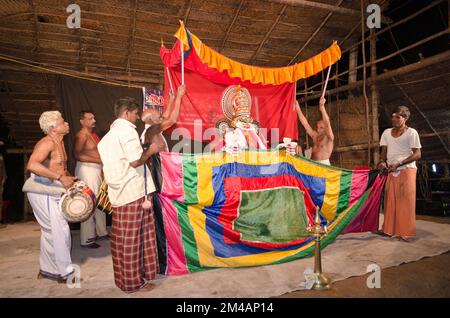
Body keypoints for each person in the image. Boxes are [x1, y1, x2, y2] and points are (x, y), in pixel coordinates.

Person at [98, 97, 166, 293]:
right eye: (136, 114)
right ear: (127, 113)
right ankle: (133, 283)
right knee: (134, 240)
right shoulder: (126, 131)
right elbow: (136, 161)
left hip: (119, 191)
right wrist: (151, 150)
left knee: (122, 238)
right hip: (133, 191)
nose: (137, 118)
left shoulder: (107, 137)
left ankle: (124, 279)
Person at [26, 111, 77, 282]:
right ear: (54, 128)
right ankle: (64, 273)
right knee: (60, 231)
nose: (67, 124)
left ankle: (47, 270)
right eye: (63, 122)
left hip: (51, 187)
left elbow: (59, 167)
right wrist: (61, 178)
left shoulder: (59, 142)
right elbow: (32, 165)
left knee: (50, 231)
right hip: (44, 189)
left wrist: (70, 178)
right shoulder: (47, 143)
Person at [140, 85, 185, 274]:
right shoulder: (150, 132)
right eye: (158, 117)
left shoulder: (151, 129)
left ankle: (165, 254)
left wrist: (172, 99)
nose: (162, 117)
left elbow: (164, 116)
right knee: (160, 220)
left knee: (163, 218)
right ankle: (162, 259)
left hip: (161, 177)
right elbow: (172, 118)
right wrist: (180, 97)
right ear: (151, 121)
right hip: (158, 180)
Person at [377, 106, 421, 242]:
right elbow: (384, 151)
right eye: (393, 116)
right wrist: (382, 161)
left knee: (405, 201)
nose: (394, 119)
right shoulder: (386, 132)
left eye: (398, 117)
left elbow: (417, 154)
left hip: (406, 169)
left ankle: (406, 232)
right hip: (391, 170)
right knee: (390, 200)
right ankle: (389, 230)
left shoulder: (411, 133)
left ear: (405, 118)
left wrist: (399, 163)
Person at [73, 110, 109, 249]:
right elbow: (76, 155)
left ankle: (101, 231)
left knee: (99, 201)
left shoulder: (92, 135)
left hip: (96, 170)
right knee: (88, 202)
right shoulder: (81, 135)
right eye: (90, 118)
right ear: (82, 121)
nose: (94, 120)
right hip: (86, 170)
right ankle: (86, 238)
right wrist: (99, 160)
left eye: (94, 118)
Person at [294, 96, 334, 165]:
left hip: (324, 166)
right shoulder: (315, 136)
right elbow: (305, 124)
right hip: (313, 166)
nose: (318, 130)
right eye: (317, 127)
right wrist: (298, 109)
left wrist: (322, 108)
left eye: (321, 128)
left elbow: (327, 123)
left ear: (326, 128)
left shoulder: (329, 137)